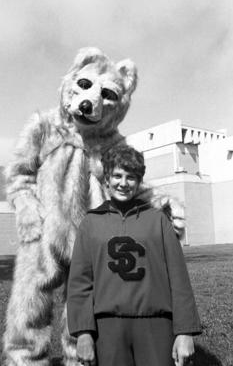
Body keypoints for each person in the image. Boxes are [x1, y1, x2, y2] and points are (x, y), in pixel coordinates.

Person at [67, 145, 202, 366]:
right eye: (117, 176)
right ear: (106, 180)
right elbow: (80, 283)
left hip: (156, 325)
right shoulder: (90, 223)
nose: (123, 183)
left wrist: (185, 332)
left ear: (139, 182)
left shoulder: (157, 220)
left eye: (131, 177)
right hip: (107, 329)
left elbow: (179, 280)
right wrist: (83, 333)